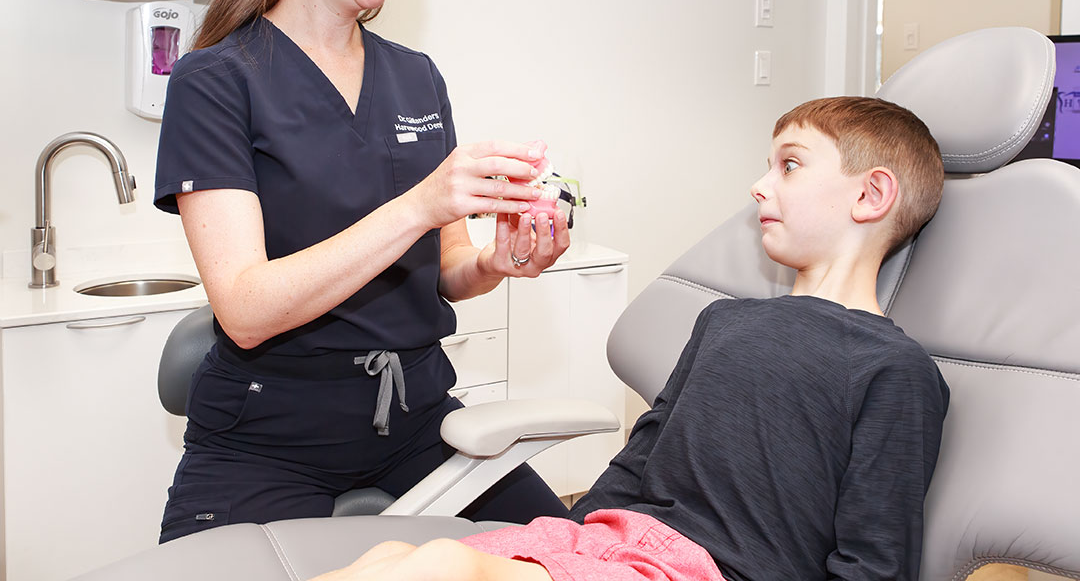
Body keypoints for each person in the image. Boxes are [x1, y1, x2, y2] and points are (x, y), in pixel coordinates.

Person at [310, 96, 951, 581]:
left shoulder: (891, 369)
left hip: (706, 570)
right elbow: (643, 453)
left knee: (440, 568)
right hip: (614, 542)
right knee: (397, 553)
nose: (759, 186)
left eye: (789, 166)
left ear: (871, 194)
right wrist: (559, 541)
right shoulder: (725, 321)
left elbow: (877, 558)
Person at [153, 0, 572, 543]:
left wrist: (498, 262)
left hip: (419, 417)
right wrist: (421, 203)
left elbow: (445, 273)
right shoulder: (216, 80)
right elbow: (246, 308)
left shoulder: (415, 78)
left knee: (573, 557)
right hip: (269, 432)